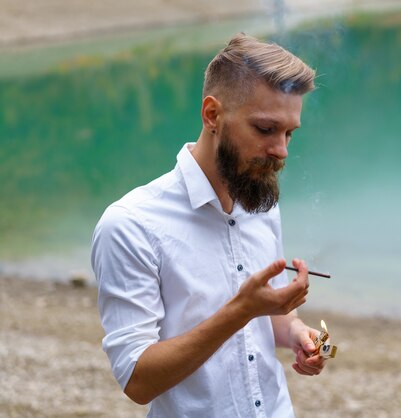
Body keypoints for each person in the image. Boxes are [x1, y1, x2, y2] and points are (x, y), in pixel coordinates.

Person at [91, 33, 325, 417]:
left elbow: (271, 315)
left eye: (289, 133)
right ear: (212, 115)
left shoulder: (260, 199)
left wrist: (296, 332)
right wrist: (241, 310)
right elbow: (137, 380)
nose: (282, 150)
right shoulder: (131, 225)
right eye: (266, 130)